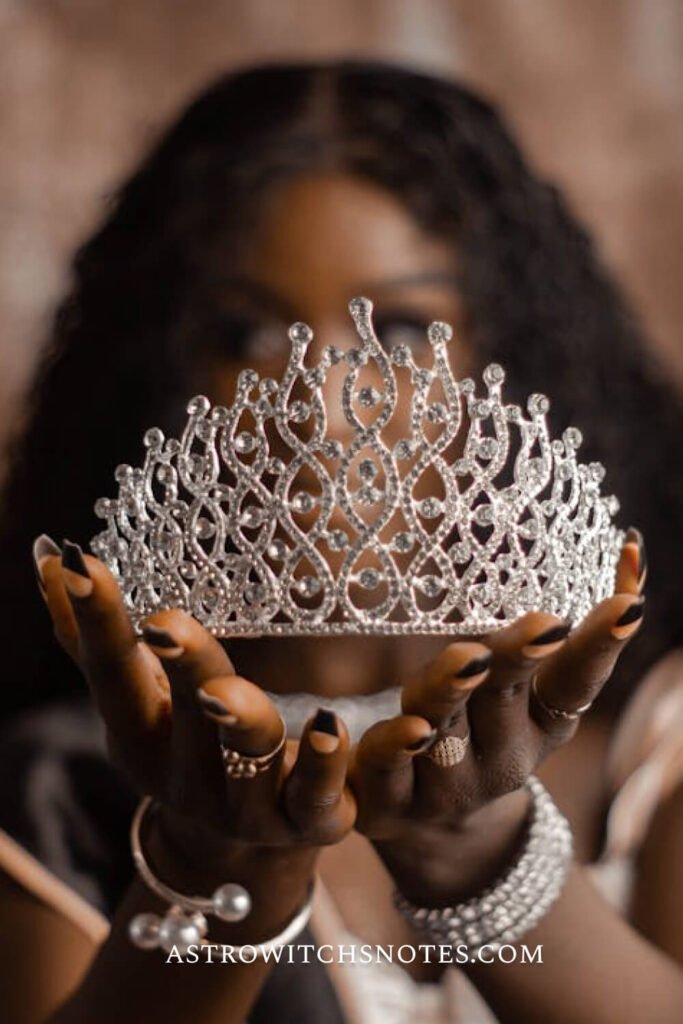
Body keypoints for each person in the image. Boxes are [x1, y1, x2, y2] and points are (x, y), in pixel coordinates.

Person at [0, 60, 681, 1024]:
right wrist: (213, 868)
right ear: (157, 370)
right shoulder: (61, 786)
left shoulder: (662, 742)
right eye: (246, 332)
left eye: (402, 331)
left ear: (512, 355)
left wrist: (480, 859)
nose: (318, 407)